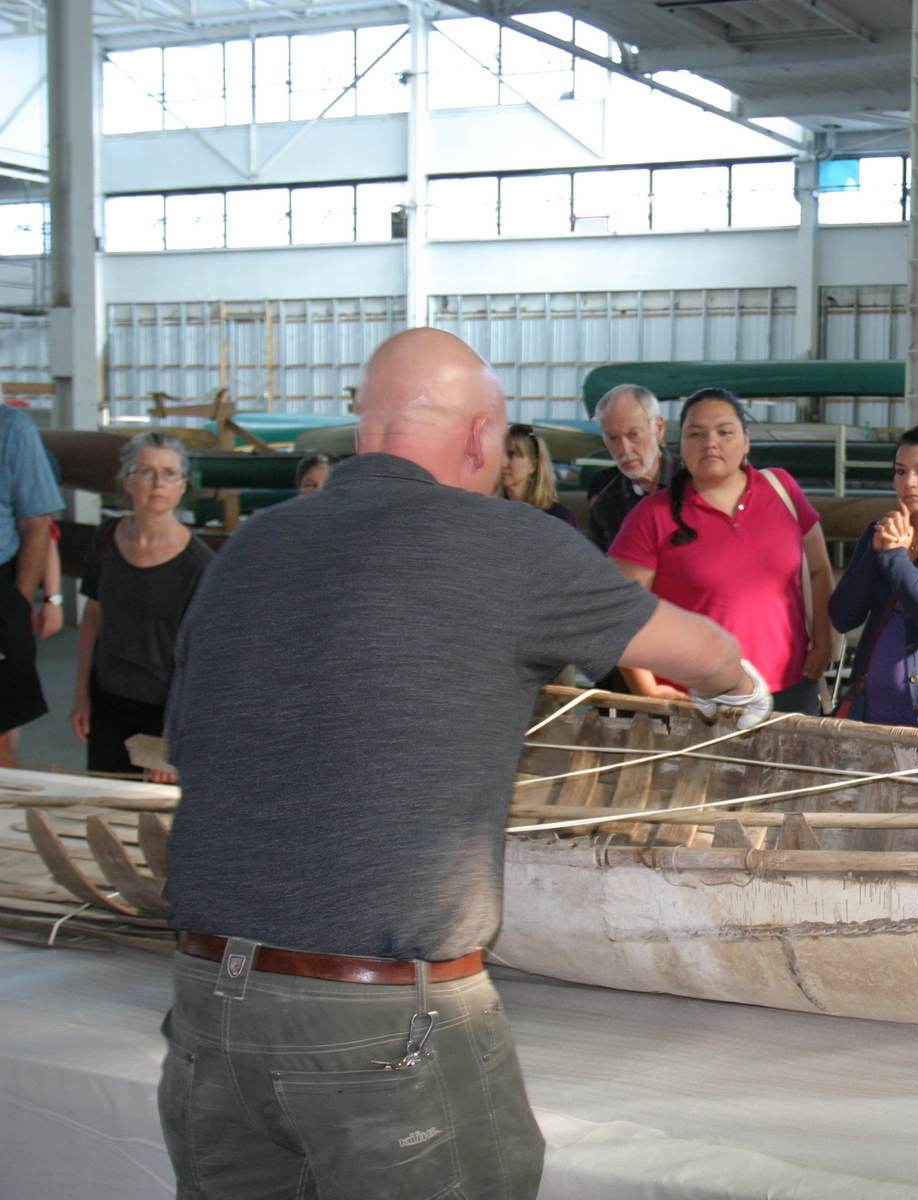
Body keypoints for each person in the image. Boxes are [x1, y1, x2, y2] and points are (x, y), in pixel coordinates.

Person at [158, 328, 765, 1199]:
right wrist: (742, 688)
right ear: (482, 437)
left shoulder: (246, 550)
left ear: (365, 431)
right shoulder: (508, 544)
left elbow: (196, 747)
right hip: (380, 1024)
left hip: (208, 1009)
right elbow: (699, 651)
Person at [610, 387, 837, 714]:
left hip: (792, 686)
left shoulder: (782, 489)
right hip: (699, 701)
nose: (710, 443)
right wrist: (646, 688)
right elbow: (618, 610)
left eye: (724, 432)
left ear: (746, 440)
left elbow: (818, 569)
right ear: (680, 445)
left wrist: (823, 640)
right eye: (696, 434)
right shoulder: (651, 516)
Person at [71, 432, 212, 777]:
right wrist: (81, 694)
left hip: (162, 710)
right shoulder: (106, 538)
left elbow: (201, 655)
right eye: (146, 471)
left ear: (182, 486)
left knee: (151, 816)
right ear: (126, 481)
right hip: (108, 698)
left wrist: (175, 732)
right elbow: (93, 617)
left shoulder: (200, 565)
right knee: (102, 804)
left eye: (169, 473)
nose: (158, 483)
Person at [827, 423, 918, 730]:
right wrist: (875, 553)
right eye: (900, 471)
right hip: (870, 711)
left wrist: (894, 557)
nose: (910, 482)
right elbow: (842, 616)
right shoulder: (879, 531)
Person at [0, 403, 64, 766]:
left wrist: (18, 605)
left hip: (2, 587)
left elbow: (38, 524)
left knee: (2, 727)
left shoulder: (12, 428)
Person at [589, 382, 673, 551]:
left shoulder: (696, 481)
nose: (624, 450)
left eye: (633, 435)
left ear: (659, 428)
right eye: (613, 438)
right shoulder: (605, 507)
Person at [501, 422, 580, 529]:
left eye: (511, 455)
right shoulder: (493, 513)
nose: (502, 462)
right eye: (500, 454)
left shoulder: (560, 519)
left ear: (533, 465)